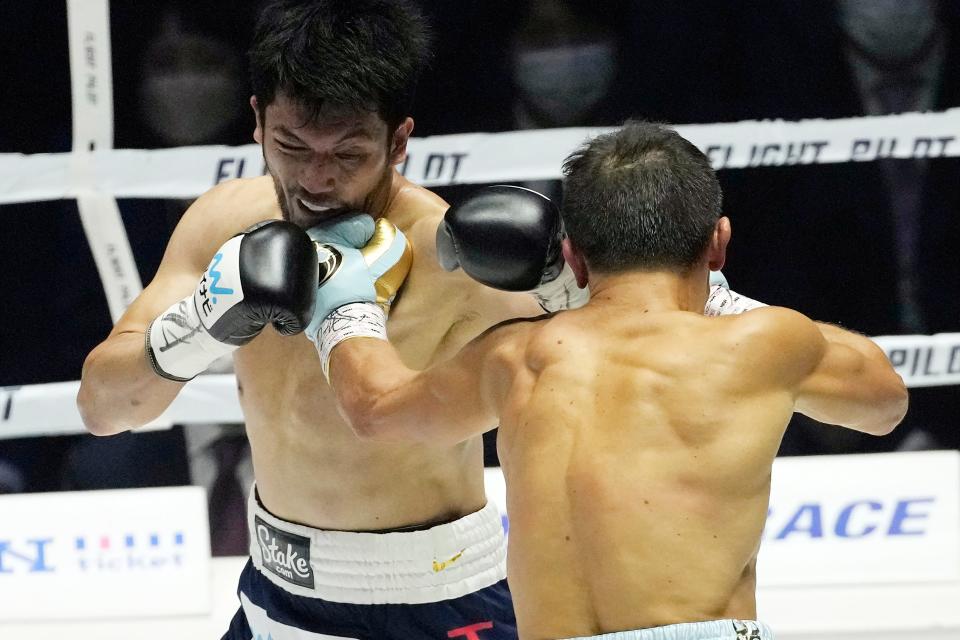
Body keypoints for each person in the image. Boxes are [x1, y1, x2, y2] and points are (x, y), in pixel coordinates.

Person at [77, 1, 589, 637]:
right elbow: (103, 408)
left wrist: (567, 287)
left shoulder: (450, 259)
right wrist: (201, 322)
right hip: (275, 594)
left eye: (347, 154)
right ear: (259, 123)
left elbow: (609, 383)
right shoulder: (225, 225)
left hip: (433, 604)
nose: (316, 179)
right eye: (292, 145)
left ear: (397, 141)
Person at [309, 121, 909, 640]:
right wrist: (722, 300)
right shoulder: (758, 345)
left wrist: (341, 298)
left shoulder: (514, 358)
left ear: (572, 258)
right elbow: (885, 402)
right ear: (718, 243)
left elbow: (375, 409)